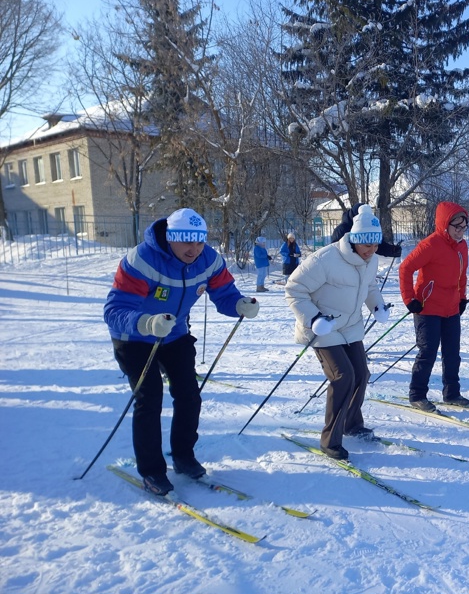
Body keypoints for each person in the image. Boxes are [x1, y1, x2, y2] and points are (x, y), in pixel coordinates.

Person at [103, 208, 260, 495]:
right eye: (186, 242)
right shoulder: (141, 260)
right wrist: (145, 323)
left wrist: (239, 305)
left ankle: (184, 456)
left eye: (199, 242)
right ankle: (151, 470)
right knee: (149, 399)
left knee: (189, 394)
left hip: (174, 334)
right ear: (170, 239)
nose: (194, 249)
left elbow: (224, 294)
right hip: (133, 337)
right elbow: (114, 310)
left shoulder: (209, 260)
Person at [285, 205, 389, 460]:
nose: (372, 251)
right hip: (324, 326)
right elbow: (294, 288)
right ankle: (330, 440)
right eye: (367, 245)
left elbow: (370, 285)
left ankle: (352, 423)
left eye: (376, 245)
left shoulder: (371, 259)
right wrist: (314, 318)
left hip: (351, 325)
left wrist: (377, 305)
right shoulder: (326, 259)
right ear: (354, 239)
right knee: (343, 376)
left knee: (361, 373)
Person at [399, 201, 469, 412]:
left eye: (463, 227)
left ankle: (452, 393)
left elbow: (462, 276)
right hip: (427, 308)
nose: (460, 232)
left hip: (450, 308)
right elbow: (405, 268)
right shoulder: (430, 244)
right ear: (444, 224)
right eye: (456, 227)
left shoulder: (462, 246)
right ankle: (417, 395)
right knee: (427, 352)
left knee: (452, 353)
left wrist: (461, 298)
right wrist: (409, 299)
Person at [331, 202, 403, 258]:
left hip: (364, 264)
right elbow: (334, 251)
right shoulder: (341, 230)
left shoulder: (368, 226)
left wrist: (391, 250)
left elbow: (377, 245)